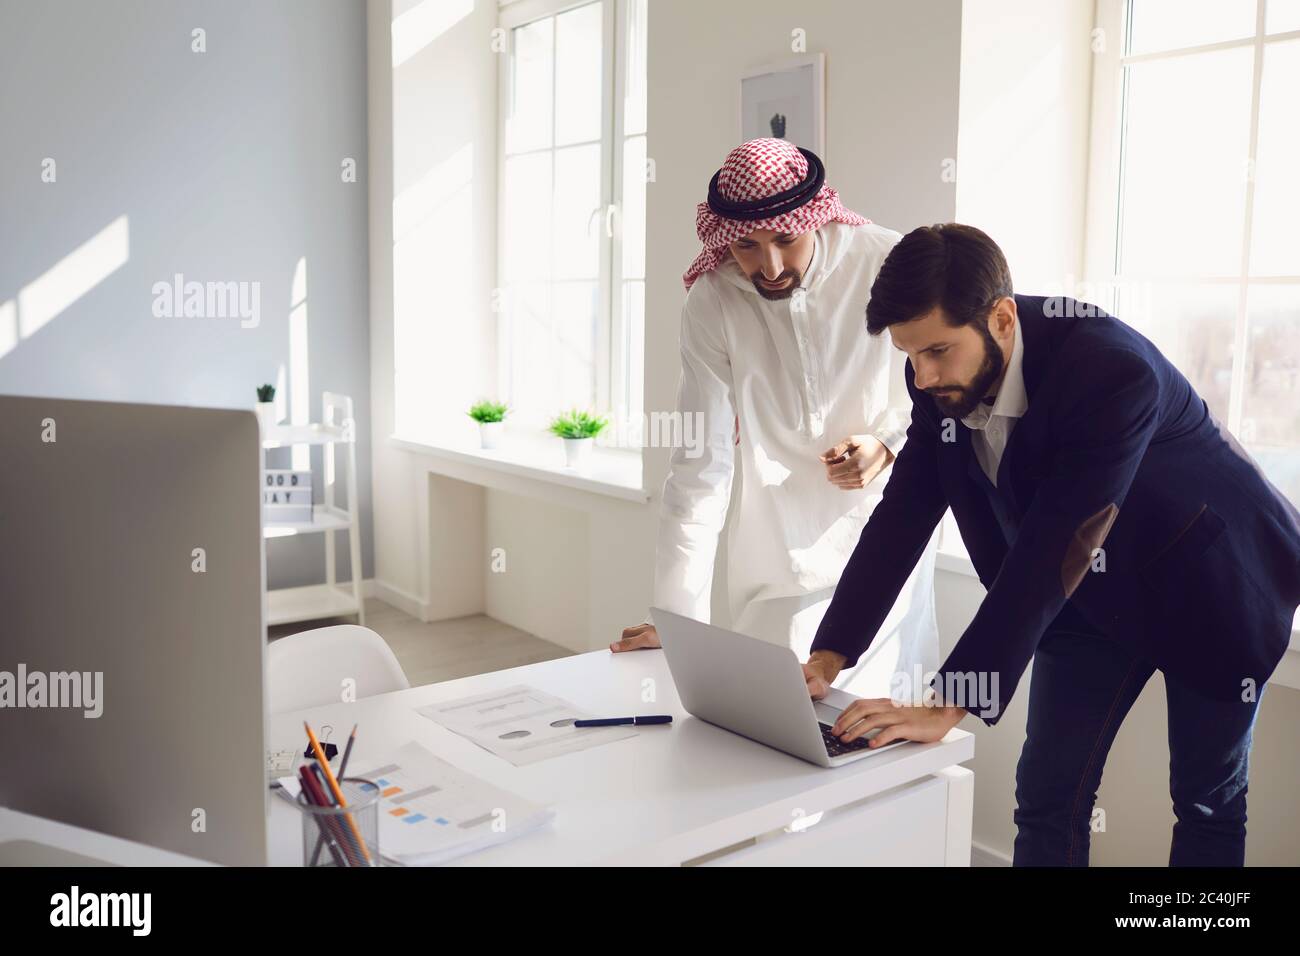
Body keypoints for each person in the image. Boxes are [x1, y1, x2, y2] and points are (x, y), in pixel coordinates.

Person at [804, 222, 1300, 865]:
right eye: (910, 355)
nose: (922, 377)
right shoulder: (937, 380)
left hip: (1211, 580)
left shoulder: (1110, 369)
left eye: (937, 352)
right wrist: (829, 653)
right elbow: (905, 511)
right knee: (1046, 795)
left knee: (1206, 804)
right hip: (1083, 591)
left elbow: (1057, 537)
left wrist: (951, 699)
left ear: (1002, 320)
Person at [612, 138, 939, 701]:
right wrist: (676, 618)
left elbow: (942, 389)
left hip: (887, 540)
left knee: (877, 737)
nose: (769, 266)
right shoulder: (713, 301)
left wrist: (887, 443)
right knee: (768, 731)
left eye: (786, 240)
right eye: (746, 245)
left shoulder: (886, 261)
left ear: (815, 219)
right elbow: (699, 464)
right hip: (775, 556)